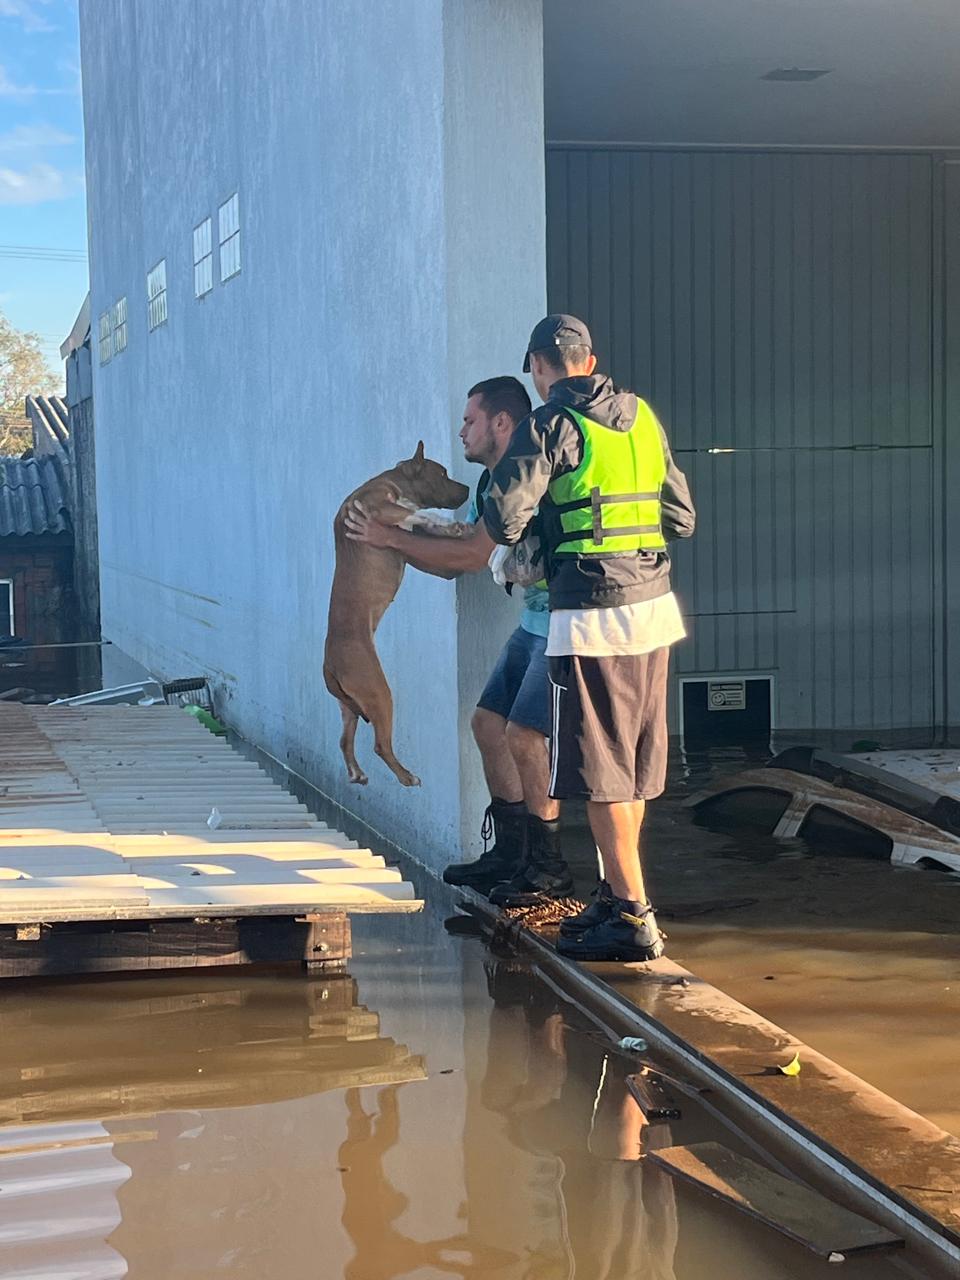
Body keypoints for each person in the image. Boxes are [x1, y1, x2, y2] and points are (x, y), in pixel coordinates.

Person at [472, 315, 695, 961]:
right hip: (654, 613)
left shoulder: (549, 424)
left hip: (592, 619)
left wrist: (545, 533)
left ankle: (631, 918)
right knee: (627, 768)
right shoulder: (643, 417)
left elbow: (504, 518)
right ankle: (615, 892)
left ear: (540, 367)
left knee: (599, 775)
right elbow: (680, 517)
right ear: (590, 358)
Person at [345, 377, 574, 904]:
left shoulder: (527, 471)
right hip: (536, 621)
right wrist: (385, 542)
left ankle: (549, 868)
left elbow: (472, 556)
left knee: (524, 735)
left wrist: (390, 538)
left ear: (501, 423)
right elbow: (456, 562)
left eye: (469, 420)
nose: (461, 431)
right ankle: (511, 855)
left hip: (566, 620)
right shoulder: (490, 484)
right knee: (487, 725)